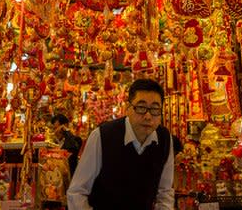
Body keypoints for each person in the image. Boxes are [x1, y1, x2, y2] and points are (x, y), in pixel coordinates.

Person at [67, 78, 174, 210]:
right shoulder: (102, 136)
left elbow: (165, 191)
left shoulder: (164, 139)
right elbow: (77, 192)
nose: (148, 116)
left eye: (155, 109)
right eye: (141, 107)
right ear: (128, 108)